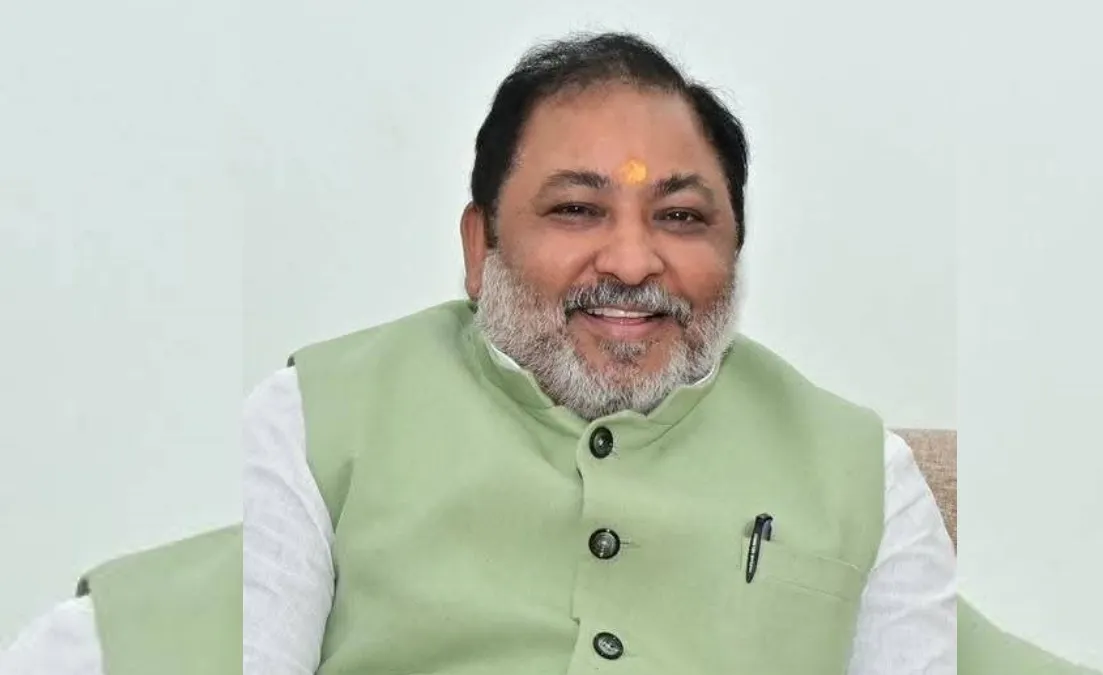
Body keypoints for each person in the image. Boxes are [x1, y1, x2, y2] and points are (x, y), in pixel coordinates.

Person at [0, 32, 955, 675]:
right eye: (577, 208)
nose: (632, 261)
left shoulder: (867, 478)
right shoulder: (320, 417)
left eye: (680, 216)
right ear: (479, 245)